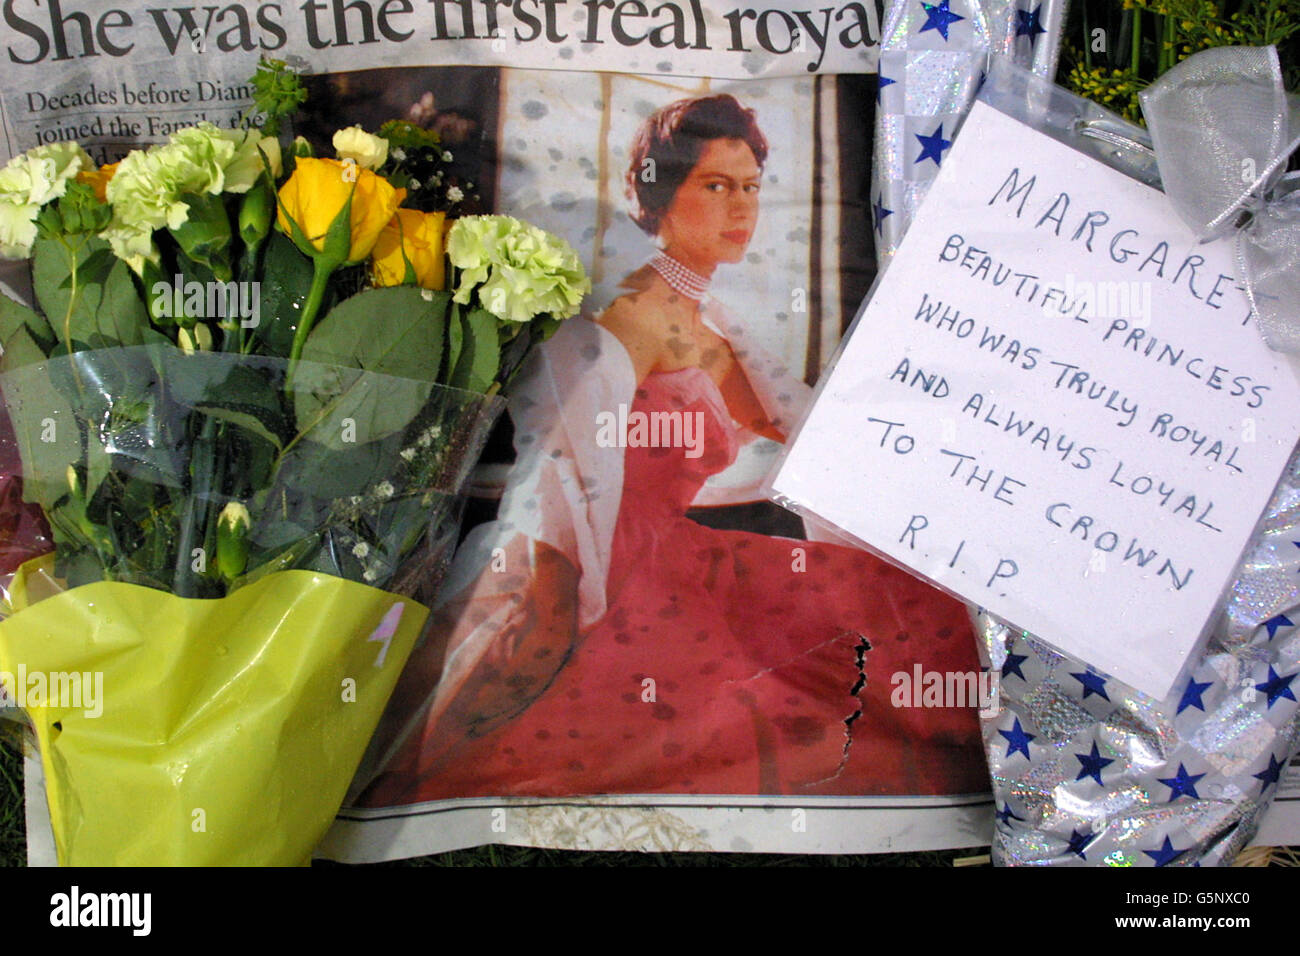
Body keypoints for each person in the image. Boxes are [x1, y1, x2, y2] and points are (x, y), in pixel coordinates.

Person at [363, 94, 986, 803]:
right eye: (714, 186)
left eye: (750, 186)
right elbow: (566, 475)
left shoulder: (714, 318)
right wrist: (547, 608)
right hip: (623, 586)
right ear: (659, 193)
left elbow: (814, 435)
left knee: (905, 598)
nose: (740, 208)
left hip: (686, 557)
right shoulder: (630, 315)